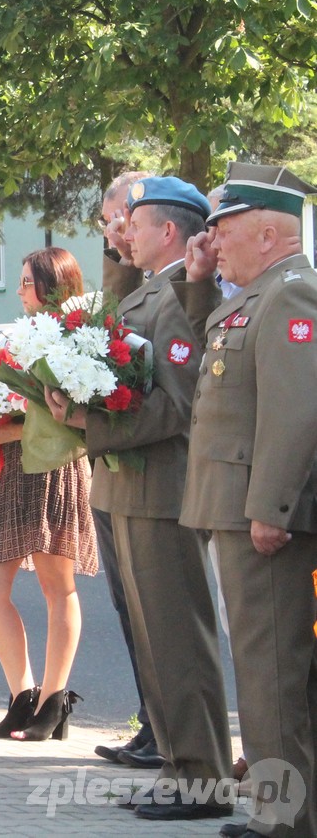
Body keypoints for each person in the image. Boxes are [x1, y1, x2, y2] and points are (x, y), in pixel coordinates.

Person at [46, 176, 232, 822]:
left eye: (135, 220)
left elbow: (177, 405)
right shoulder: (150, 287)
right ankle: (179, 767)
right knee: (154, 645)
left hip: (163, 487)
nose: (124, 230)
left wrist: (86, 424)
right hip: (130, 485)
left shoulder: (182, 293)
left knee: (179, 639)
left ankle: (203, 775)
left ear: (169, 232)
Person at [178, 162, 317, 838]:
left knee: (272, 673)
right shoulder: (258, 294)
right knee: (263, 668)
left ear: (268, 232)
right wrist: (200, 280)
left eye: (222, 227)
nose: (212, 240)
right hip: (238, 506)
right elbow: (218, 346)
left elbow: (295, 414)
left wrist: (271, 506)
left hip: (261, 515)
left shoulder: (291, 294)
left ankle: (282, 819)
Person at [0, 247, 97, 741]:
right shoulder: (17, 338)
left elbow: (65, 419)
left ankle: (53, 701)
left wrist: (2, 433)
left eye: (26, 282)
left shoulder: (75, 339)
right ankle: (22, 694)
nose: (19, 290)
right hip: (17, 469)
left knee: (55, 586)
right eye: (19, 281)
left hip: (56, 467)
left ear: (52, 284)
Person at [90, 170, 161, 767]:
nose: (116, 234)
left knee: (161, 614)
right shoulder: (136, 281)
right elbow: (111, 324)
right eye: (109, 224)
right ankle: (155, 725)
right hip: (115, 472)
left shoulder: (175, 286)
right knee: (128, 607)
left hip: (154, 473)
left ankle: (175, 738)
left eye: (123, 221)